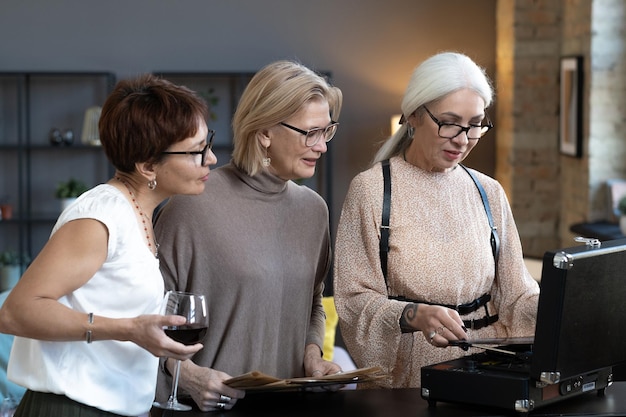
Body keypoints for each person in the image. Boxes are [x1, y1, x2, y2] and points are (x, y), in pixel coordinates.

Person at [0, 74, 220, 417]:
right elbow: (15, 311)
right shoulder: (101, 217)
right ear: (148, 166)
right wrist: (128, 330)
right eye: (196, 151)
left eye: (208, 144)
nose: (211, 159)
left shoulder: (137, 214)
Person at [333, 52, 540, 388]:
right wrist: (412, 315)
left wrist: (564, 309)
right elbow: (353, 301)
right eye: (449, 122)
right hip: (409, 380)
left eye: (475, 125)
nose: (462, 139)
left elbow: (517, 296)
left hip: (490, 371)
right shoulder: (372, 191)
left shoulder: (488, 192)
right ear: (413, 115)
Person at [153, 60, 343, 411]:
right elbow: (146, 320)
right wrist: (188, 376)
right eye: (310, 133)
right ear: (264, 133)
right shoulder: (191, 204)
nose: (322, 147)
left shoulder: (314, 210)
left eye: (327, 131)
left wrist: (312, 356)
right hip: (209, 410)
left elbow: (313, 304)